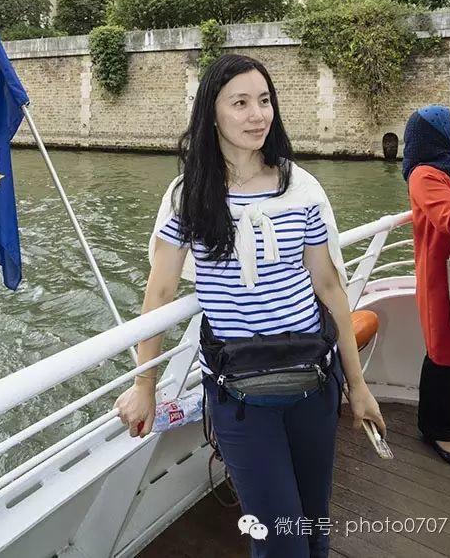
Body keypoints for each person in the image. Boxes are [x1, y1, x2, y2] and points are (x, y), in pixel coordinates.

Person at [115, 54, 385, 557]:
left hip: (313, 385)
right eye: (240, 103)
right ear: (211, 113)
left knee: (313, 528)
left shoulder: (298, 187)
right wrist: (144, 384)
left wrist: (359, 386)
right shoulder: (189, 196)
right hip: (241, 398)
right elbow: (159, 293)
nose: (257, 115)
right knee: (281, 543)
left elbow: (329, 288)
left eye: (264, 101)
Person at [402, 105, 450, 469]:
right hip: (445, 280)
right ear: (436, 135)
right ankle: (436, 430)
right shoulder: (425, 175)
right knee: (444, 356)